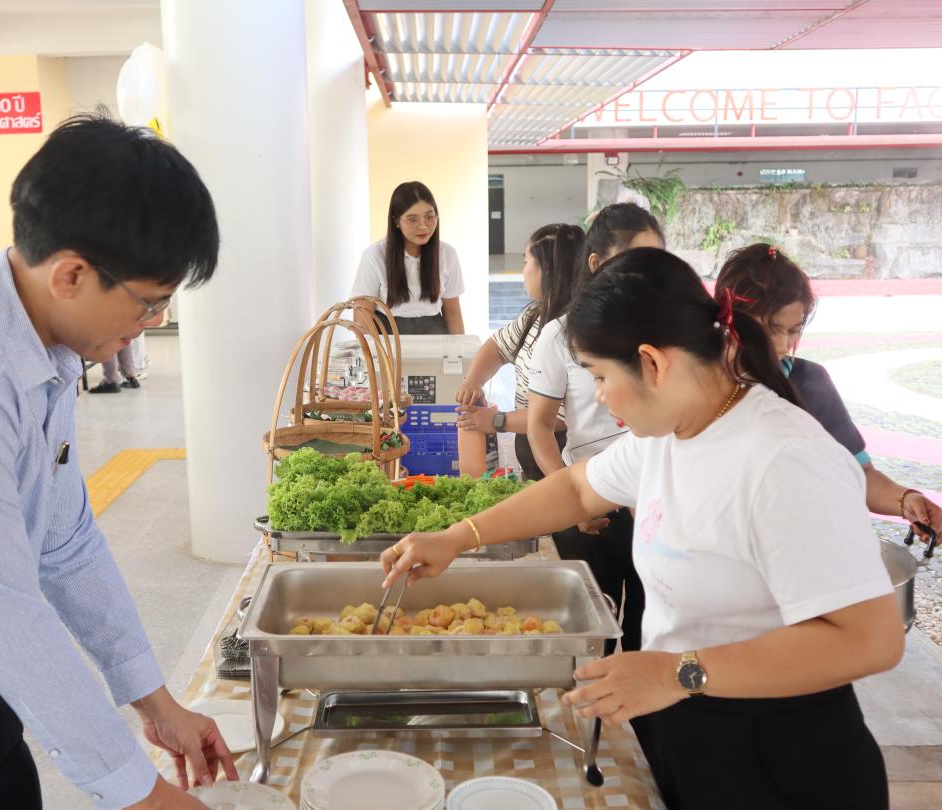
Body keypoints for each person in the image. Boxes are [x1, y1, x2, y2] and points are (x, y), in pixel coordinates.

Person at [382, 247, 904, 810]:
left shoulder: (785, 459)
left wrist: (677, 673)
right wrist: (459, 537)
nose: (599, 396)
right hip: (694, 728)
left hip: (783, 755)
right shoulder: (672, 432)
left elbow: (870, 641)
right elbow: (577, 488)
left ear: (653, 363)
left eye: (601, 376)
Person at [0, 116, 236, 810]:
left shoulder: (45, 349)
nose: (154, 322)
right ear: (70, 274)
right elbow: (2, 613)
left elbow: (66, 543)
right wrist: (143, 795)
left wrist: (155, 704)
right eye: (150, 303)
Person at [715, 242, 941, 537]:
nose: (782, 346)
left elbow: (859, 474)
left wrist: (907, 500)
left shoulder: (810, 383)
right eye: (770, 329)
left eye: (793, 330)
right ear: (729, 317)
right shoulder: (693, 385)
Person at [525, 203, 664, 652]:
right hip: (590, 506)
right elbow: (539, 427)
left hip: (652, 503)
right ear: (595, 263)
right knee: (593, 638)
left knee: (650, 631)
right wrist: (570, 502)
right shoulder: (560, 335)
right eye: (633, 261)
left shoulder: (668, 335)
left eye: (655, 260)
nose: (646, 275)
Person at [453, 223, 581, 479]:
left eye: (526, 262)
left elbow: (557, 419)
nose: (523, 271)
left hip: (560, 452)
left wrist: (496, 420)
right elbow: (497, 347)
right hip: (531, 445)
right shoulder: (535, 315)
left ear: (548, 270)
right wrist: (473, 382)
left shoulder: (571, 332)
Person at [352, 181, 464, 334]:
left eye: (429, 217)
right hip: (388, 335)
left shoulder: (447, 254)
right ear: (396, 221)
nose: (423, 226)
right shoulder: (374, 256)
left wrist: (460, 347)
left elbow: (453, 313)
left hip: (435, 333)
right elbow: (362, 316)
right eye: (412, 219)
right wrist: (371, 348)